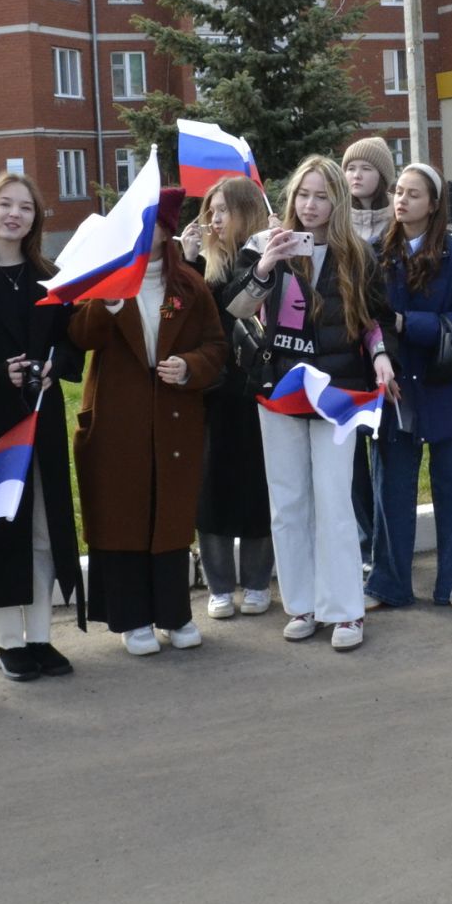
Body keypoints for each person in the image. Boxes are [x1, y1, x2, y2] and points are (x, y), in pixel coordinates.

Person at [226, 157, 395, 651]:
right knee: (288, 501)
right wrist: (265, 265)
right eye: (304, 195)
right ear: (291, 198)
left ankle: (345, 610)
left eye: (322, 196)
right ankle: (301, 605)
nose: (311, 205)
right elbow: (235, 308)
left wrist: (382, 357)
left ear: (337, 201)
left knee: (334, 501)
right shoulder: (263, 247)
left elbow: (375, 318)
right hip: (278, 389)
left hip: (337, 392)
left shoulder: (357, 255)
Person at [70, 187, 226, 655]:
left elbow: (216, 347)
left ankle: (175, 614)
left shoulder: (189, 285)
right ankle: (131, 617)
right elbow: (79, 334)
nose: (144, 230)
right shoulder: (105, 275)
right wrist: (110, 303)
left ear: (168, 230)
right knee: (124, 514)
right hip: (118, 422)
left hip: (174, 420)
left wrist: (189, 367)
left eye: (154, 222)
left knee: (170, 516)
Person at [0, 171, 81, 682]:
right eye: (5, 204)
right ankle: (7, 642)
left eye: (25, 207)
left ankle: (41, 637)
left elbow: (72, 342)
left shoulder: (51, 277)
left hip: (40, 416)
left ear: (35, 219)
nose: (14, 214)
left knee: (44, 529)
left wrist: (56, 366)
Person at [368, 164, 452, 612]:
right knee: (393, 489)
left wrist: (409, 324)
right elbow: (365, 316)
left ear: (435, 204)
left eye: (413, 194)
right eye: (398, 192)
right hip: (397, 390)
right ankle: (389, 583)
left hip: (450, 386)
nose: (401, 200)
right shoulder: (376, 253)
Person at [182, 174, 276, 619]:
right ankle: (220, 585)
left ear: (245, 211)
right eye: (211, 210)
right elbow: (178, 317)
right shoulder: (203, 264)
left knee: (260, 484)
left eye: (223, 210)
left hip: (260, 387)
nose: (214, 219)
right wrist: (185, 260)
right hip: (215, 390)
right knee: (212, 486)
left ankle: (258, 582)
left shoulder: (265, 256)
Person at [341, 136, 397, 545]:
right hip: (346, 352)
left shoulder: (398, 222)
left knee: (389, 450)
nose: (356, 175)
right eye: (350, 168)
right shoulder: (336, 225)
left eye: (365, 168)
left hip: (390, 349)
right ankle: (364, 537)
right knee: (352, 457)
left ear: (383, 176)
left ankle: (390, 536)